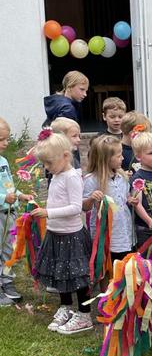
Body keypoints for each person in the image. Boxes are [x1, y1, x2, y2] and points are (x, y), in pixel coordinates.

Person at [31, 131, 93, 334]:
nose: (46, 167)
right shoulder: (57, 174)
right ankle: (66, 307)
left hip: (71, 235)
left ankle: (84, 314)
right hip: (55, 233)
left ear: (66, 156)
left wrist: (48, 213)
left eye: (49, 163)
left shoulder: (72, 177)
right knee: (60, 272)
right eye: (44, 163)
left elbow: (75, 208)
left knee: (78, 275)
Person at [82, 135, 135, 289]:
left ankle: (122, 293)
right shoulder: (92, 180)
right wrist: (91, 198)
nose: (122, 158)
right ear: (105, 159)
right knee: (106, 265)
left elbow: (124, 197)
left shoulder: (122, 176)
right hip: (106, 233)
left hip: (123, 228)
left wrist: (130, 200)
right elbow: (84, 207)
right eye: (118, 156)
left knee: (123, 263)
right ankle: (107, 294)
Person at [0, 117, 33, 306]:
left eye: (7, 139)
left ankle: (7, 282)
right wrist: (3, 198)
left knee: (8, 251)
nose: (6, 143)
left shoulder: (3, 161)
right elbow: (4, 194)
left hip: (9, 215)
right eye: (1, 140)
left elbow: (9, 186)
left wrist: (20, 195)